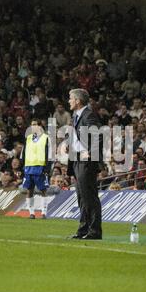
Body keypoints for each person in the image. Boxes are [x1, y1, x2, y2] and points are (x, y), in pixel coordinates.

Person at [67, 88, 103, 240]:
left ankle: (94, 231)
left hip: (86, 161)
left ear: (77, 101)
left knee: (89, 196)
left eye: (70, 98)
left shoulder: (88, 115)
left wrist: (91, 152)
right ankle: (83, 229)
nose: (69, 101)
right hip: (77, 160)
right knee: (81, 196)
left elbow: (100, 135)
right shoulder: (77, 116)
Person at [21, 119, 50, 219]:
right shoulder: (28, 138)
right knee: (30, 190)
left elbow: (48, 153)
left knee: (43, 190)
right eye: (32, 125)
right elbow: (24, 153)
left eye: (35, 124)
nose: (33, 126)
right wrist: (23, 166)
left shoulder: (45, 138)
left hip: (40, 167)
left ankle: (43, 212)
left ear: (40, 126)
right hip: (29, 167)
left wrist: (46, 167)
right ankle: (31, 213)